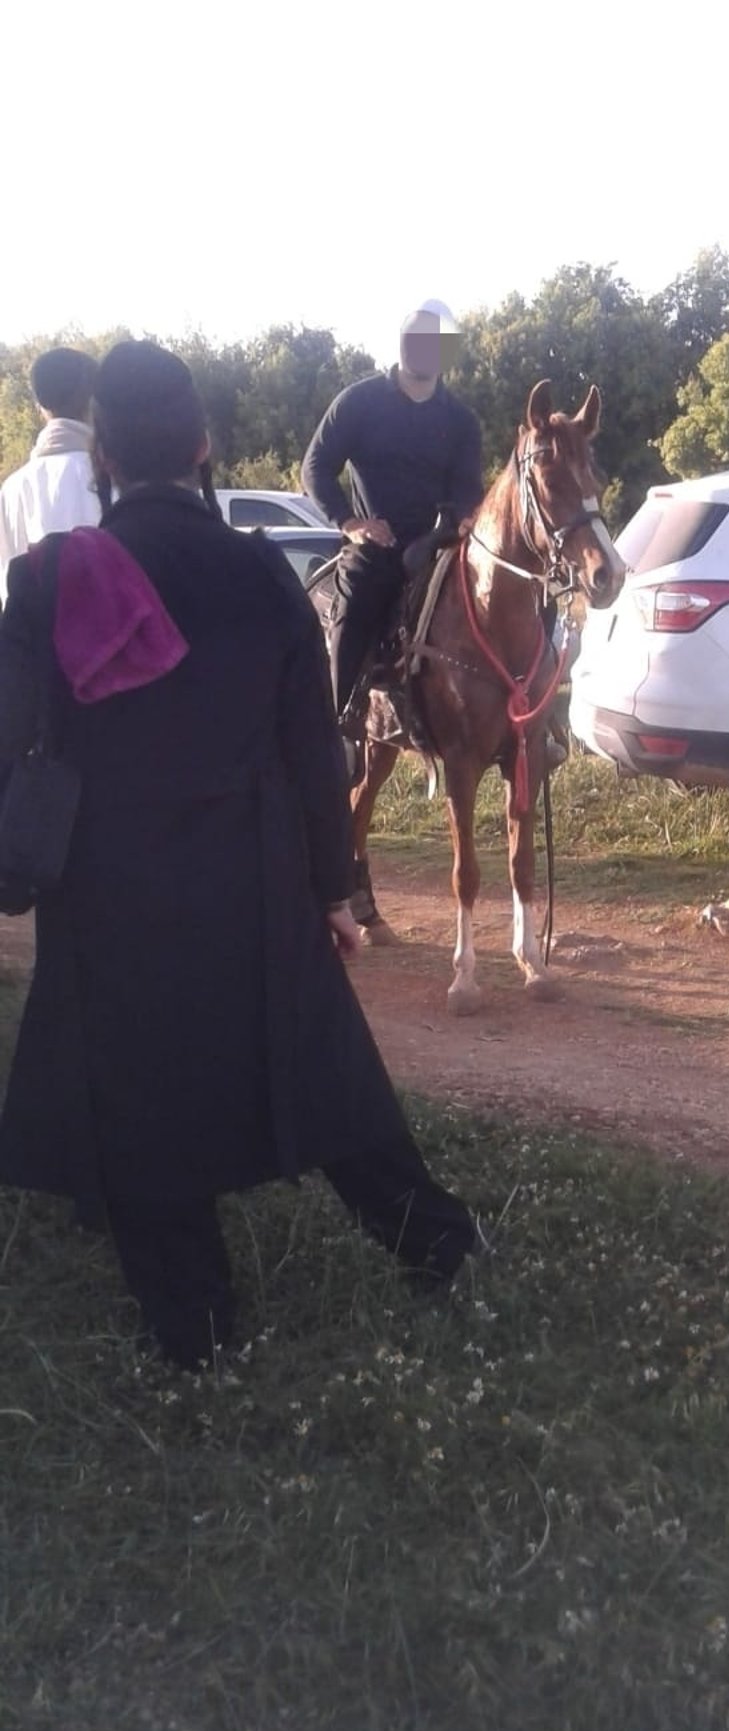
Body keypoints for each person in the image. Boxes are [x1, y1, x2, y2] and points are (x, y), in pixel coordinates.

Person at [0, 339, 478, 1370]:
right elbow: (314, 748)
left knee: (135, 1095)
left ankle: (198, 1330)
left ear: (105, 460)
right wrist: (329, 889)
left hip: (105, 883)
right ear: (206, 445)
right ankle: (437, 1244)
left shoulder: (47, 583)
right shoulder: (260, 571)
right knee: (325, 1071)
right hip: (250, 872)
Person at [301, 301, 484, 721]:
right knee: (354, 605)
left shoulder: (461, 421)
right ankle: (335, 721)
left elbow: (469, 490)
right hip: (376, 547)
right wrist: (350, 523)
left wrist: (451, 527)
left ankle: (527, 723)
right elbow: (315, 467)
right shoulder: (359, 403)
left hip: (441, 548)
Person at [0, 347, 102, 603]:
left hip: (28, 639)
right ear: (94, 399)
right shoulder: (109, 476)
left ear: (39, 406)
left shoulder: (11, 490)